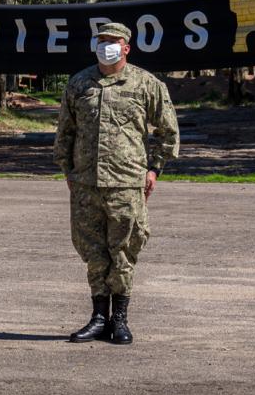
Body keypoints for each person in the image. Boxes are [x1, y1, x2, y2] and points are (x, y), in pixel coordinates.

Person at [54, 22, 179, 345]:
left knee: (123, 251)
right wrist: (68, 170)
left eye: (112, 41)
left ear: (126, 47)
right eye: (101, 40)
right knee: (94, 252)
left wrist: (154, 170)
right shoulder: (80, 83)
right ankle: (98, 317)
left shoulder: (145, 84)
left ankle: (120, 319)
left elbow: (168, 132)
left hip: (126, 183)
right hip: (86, 184)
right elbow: (65, 133)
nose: (105, 45)